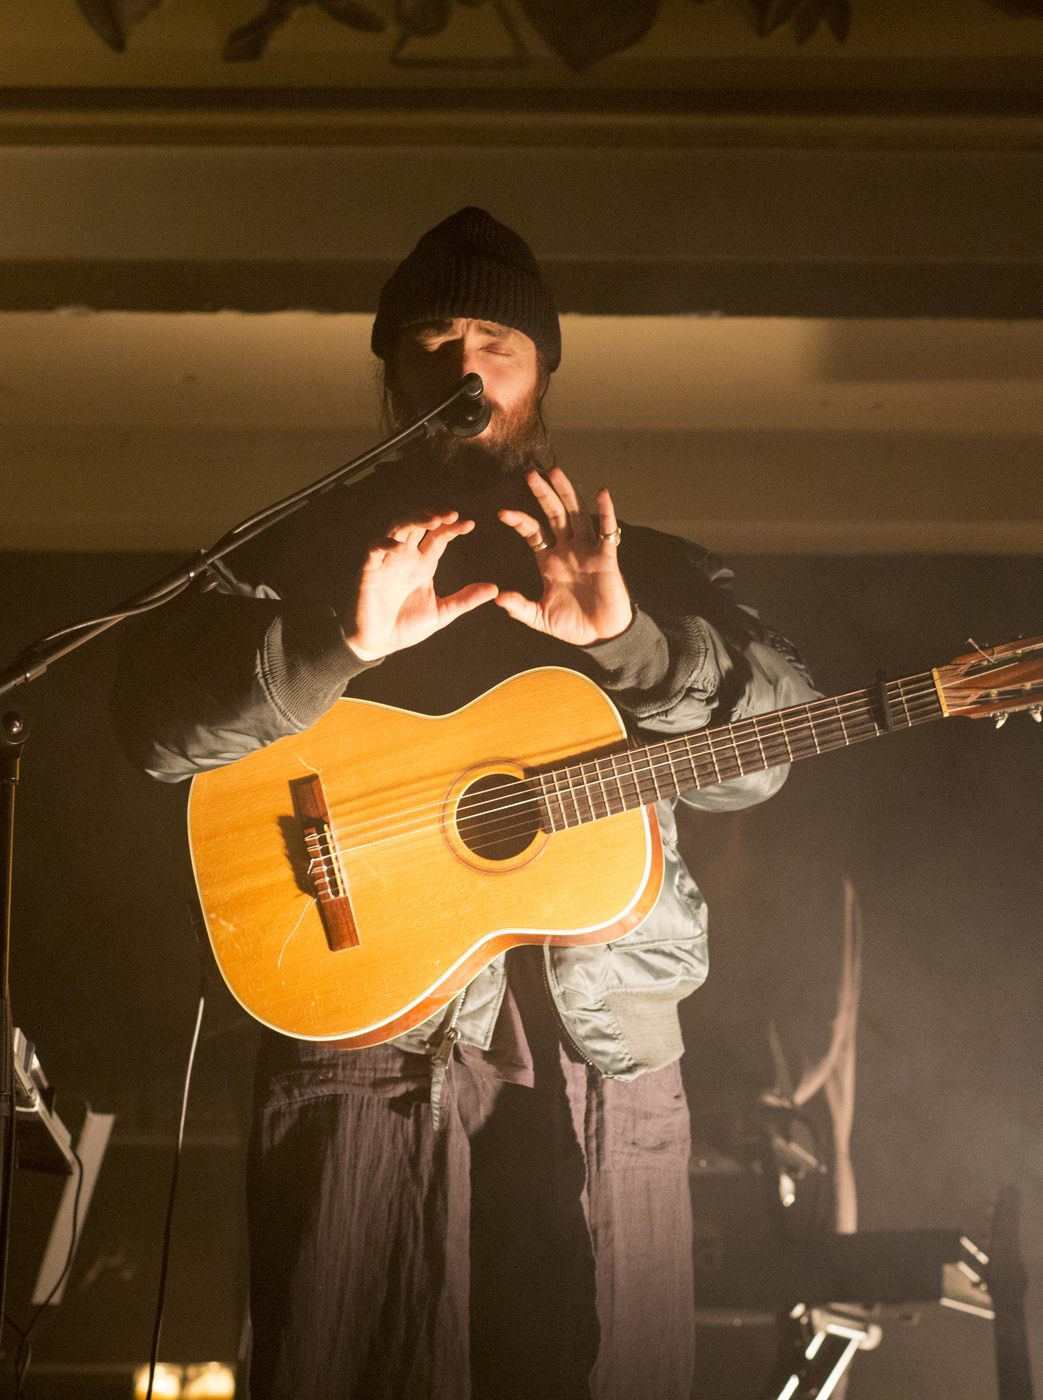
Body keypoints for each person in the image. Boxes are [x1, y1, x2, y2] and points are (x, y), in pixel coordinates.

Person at [112, 207, 817, 1399]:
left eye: (497, 339)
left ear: (543, 371)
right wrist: (332, 641)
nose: (464, 367)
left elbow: (765, 757)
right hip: (365, 1047)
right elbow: (154, 728)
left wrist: (634, 642)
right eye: (432, 340)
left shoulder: (647, 564)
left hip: (604, 1065)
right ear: (392, 373)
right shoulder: (301, 551)